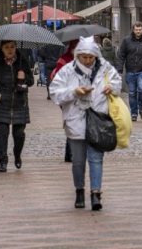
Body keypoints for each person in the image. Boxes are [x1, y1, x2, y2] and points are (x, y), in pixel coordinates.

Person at [50, 36, 121, 211]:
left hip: (98, 119)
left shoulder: (105, 68)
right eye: (84, 57)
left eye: (91, 57)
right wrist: (74, 92)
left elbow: (117, 82)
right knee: (78, 161)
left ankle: (96, 193)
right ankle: (79, 190)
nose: (88, 60)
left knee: (96, 159)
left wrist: (111, 87)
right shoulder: (67, 71)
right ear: (78, 55)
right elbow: (54, 92)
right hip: (76, 119)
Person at [0, 40, 34, 172]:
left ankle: (17, 155)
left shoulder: (22, 62)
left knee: (19, 135)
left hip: (19, 102)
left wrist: (24, 77)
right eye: (6, 47)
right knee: (2, 134)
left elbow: (31, 81)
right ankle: (3, 160)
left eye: (12, 47)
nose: (10, 50)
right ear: (1, 49)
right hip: (2, 104)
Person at [118, 21, 142, 122]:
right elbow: (121, 55)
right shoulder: (126, 41)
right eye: (136, 30)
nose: (138, 31)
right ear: (133, 30)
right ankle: (134, 113)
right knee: (131, 93)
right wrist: (120, 70)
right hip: (130, 71)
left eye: (140, 30)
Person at [50, 39, 78, 162]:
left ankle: (74, 152)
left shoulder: (87, 59)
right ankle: (70, 153)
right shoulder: (64, 59)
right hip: (67, 96)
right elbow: (58, 78)